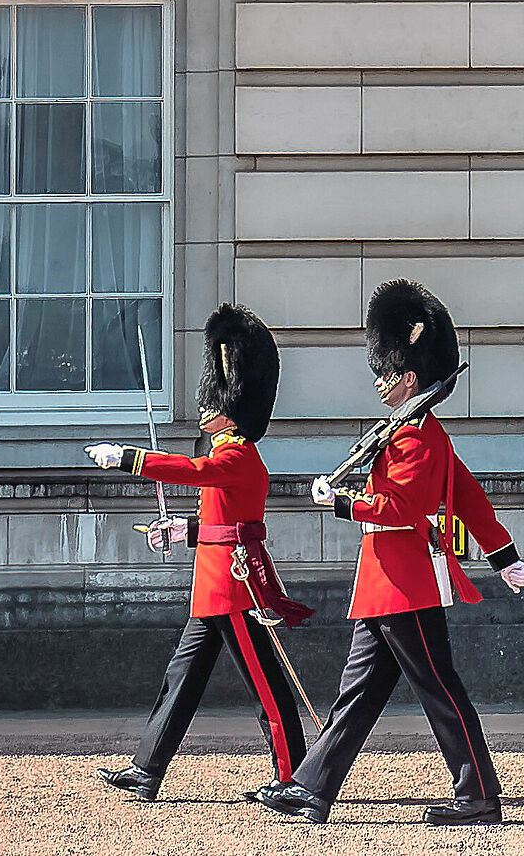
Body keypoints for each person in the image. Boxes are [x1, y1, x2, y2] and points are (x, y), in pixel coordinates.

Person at [255, 280, 524, 826]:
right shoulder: (405, 431)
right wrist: (502, 552)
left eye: (386, 373)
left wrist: (342, 504)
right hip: (383, 582)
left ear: (408, 377)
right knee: (356, 694)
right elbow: (469, 494)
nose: (378, 382)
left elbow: (401, 506)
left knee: (439, 692)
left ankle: (478, 795)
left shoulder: (419, 438)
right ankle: (312, 787)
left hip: (410, 582)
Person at [88, 305, 308, 802]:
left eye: (213, 399)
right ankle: (147, 769)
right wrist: (182, 531)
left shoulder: (236, 455)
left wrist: (129, 458)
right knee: (180, 679)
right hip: (212, 588)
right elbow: (220, 521)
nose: (204, 407)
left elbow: (194, 473)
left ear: (232, 406)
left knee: (265, 685)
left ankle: (292, 774)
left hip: (235, 585)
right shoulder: (227, 454)